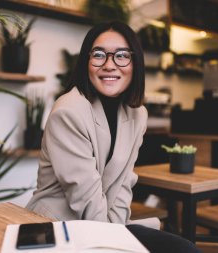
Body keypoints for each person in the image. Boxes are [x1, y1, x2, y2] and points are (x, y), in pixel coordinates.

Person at [26, 21, 200, 253]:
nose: (109, 65)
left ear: (134, 63)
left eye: (121, 56)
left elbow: (123, 183)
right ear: (87, 62)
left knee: (186, 250)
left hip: (105, 222)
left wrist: (116, 233)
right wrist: (115, 243)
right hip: (60, 225)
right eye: (99, 55)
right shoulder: (68, 111)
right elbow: (85, 198)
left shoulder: (137, 114)